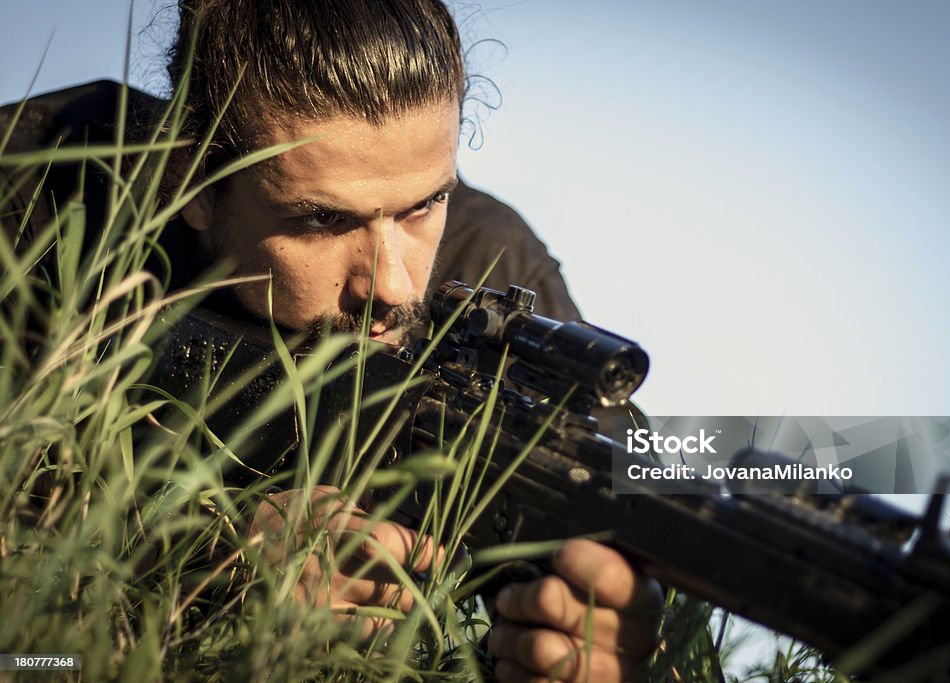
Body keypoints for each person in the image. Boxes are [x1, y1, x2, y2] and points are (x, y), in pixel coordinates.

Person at [0, 1, 661, 680]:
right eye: (321, 219)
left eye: (424, 204)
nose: (396, 287)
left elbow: (633, 535)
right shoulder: (29, 195)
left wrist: (606, 651)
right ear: (189, 179)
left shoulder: (492, 266)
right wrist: (192, 565)